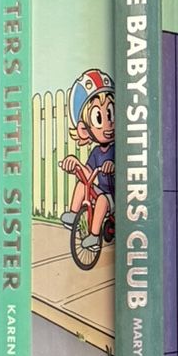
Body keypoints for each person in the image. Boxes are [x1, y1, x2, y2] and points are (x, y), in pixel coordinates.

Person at [59, 68, 114, 252]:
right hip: (102, 190)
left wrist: (113, 166)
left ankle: (94, 236)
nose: (108, 125)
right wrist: (75, 164)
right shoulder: (96, 152)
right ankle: (73, 214)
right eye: (99, 118)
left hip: (117, 195)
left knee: (102, 201)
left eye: (110, 114)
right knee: (83, 184)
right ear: (84, 130)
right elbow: (89, 174)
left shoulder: (117, 149)